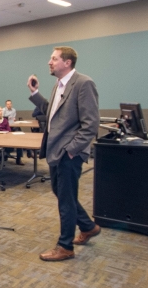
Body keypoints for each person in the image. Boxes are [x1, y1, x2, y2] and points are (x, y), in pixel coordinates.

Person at [27, 46, 100, 262]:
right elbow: (52, 112)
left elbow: (91, 124)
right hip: (55, 150)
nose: (49, 62)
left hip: (68, 152)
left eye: (54, 58)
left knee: (66, 200)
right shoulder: (58, 85)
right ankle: (88, 226)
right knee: (60, 192)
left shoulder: (83, 83)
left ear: (67, 62)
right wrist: (34, 93)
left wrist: (72, 150)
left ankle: (65, 246)